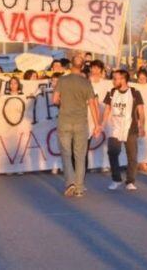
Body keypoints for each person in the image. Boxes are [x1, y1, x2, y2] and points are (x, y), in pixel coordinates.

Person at [53, 62, 100, 197]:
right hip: (81, 122)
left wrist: (64, 104)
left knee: (66, 154)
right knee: (80, 155)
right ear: (81, 68)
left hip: (64, 121)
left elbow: (54, 100)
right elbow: (92, 104)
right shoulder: (86, 82)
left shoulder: (62, 80)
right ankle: (79, 187)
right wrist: (97, 124)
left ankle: (70, 183)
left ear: (70, 66)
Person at [102, 70, 145, 191]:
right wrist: (102, 125)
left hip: (130, 128)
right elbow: (107, 110)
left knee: (132, 155)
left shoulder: (134, 92)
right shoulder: (111, 92)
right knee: (112, 152)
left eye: (117, 78)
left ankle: (130, 181)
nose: (114, 81)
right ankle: (116, 179)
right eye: (113, 79)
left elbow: (141, 111)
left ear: (124, 79)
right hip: (115, 127)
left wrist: (142, 126)